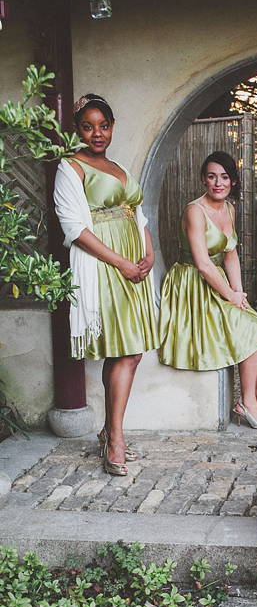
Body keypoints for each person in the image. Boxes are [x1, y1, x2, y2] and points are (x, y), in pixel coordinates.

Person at [54, 93, 159, 476]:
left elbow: (138, 214)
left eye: (104, 125)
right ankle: (114, 439)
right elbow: (75, 228)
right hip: (105, 266)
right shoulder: (71, 167)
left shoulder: (116, 166)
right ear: (76, 129)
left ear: (112, 126)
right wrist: (121, 265)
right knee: (126, 350)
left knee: (127, 350)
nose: (97, 133)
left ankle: (109, 432)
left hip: (133, 265)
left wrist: (148, 255)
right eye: (87, 126)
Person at [158, 151, 257, 428]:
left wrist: (240, 295)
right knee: (252, 330)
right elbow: (203, 264)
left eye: (224, 177)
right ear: (203, 179)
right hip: (191, 283)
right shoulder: (194, 211)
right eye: (211, 177)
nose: (217, 183)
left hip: (217, 281)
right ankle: (245, 403)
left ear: (233, 181)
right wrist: (230, 296)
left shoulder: (229, 209)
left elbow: (230, 254)